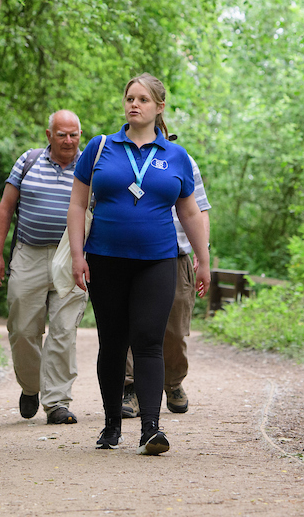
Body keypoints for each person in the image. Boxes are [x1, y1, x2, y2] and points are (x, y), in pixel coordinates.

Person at [67, 74, 209, 456]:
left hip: (157, 261)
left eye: (143, 99)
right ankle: (112, 424)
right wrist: (78, 256)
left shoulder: (176, 156)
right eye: (130, 98)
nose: (134, 104)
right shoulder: (100, 148)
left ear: (159, 107)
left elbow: (191, 211)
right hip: (105, 260)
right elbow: (78, 204)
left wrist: (204, 260)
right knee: (112, 343)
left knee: (148, 341)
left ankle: (151, 429)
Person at [0, 110, 89, 425]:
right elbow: (6, 208)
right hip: (28, 254)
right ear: (49, 135)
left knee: (64, 329)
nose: (69, 141)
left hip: (71, 256)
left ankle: (57, 401)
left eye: (74, 134)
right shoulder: (28, 161)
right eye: (62, 134)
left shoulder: (90, 167)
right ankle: (31, 387)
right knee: (22, 329)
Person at [122, 153, 210, 419]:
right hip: (129, 252)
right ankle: (130, 387)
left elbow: (200, 208)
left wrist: (201, 249)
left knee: (175, 328)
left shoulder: (182, 159)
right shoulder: (121, 156)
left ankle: (172, 382)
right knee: (129, 324)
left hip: (177, 253)